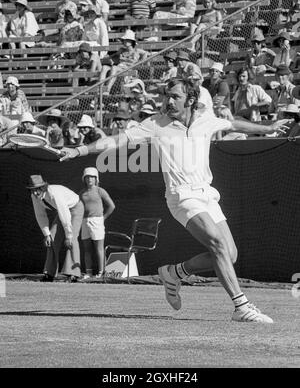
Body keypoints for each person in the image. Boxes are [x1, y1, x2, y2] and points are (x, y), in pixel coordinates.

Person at [60, 78, 289, 322]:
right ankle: (241, 306)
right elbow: (116, 140)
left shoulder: (205, 119)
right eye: (166, 96)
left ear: (190, 100)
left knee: (229, 255)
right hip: (182, 196)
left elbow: (234, 124)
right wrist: (80, 150)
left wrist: (268, 127)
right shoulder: (155, 124)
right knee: (217, 244)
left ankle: (174, 273)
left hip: (207, 194)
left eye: (174, 96)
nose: (168, 101)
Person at [27, 174, 84, 282]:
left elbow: (65, 214)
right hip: (63, 211)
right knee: (52, 238)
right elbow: (40, 215)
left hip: (75, 208)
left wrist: (68, 235)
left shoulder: (54, 194)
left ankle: (74, 274)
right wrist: (47, 234)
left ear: (43, 187)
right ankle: (49, 274)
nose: (35, 192)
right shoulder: (34, 196)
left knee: (72, 240)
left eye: (37, 189)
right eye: (32, 190)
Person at [80, 167, 115, 280]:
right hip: (84, 221)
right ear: (84, 179)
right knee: (87, 249)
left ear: (96, 179)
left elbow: (111, 206)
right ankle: (88, 272)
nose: (89, 179)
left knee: (99, 248)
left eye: (92, 177)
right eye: (87, 177)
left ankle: (101, 272)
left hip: (97, 221)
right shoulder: (81, 193)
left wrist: (103, 218)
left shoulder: (100, 191)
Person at [100, 29, 148, 95]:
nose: (124, 41)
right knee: (104, 67)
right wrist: (108, 57)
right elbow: (114, 56)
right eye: (124, 40)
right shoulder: (121, 50)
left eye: (127, 40)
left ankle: (107, 90)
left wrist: (140, 62)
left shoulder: (137, 51)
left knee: (114, 68)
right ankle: (100, 89)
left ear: (131, 42)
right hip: (119, 68)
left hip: (127, 69)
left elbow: (146, 53)